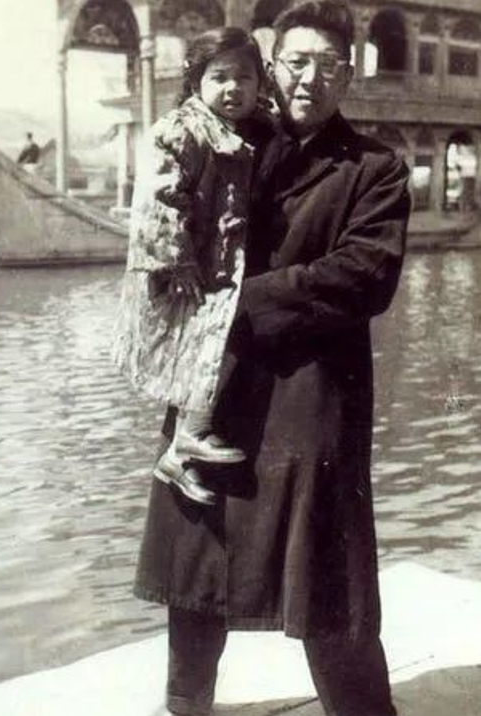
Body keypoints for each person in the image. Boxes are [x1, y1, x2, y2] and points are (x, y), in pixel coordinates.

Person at [134, 2, 411, 716]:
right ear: (270, 66)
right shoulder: (224, 143)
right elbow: (167, 228)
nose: (309, 78)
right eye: (295, 62)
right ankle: (185, 704)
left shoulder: (374, 168)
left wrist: (235, 301)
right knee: (197, 564)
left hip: (313, 395)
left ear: (348, 75)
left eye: (327, 64)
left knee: (329, 580)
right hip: (215, 386)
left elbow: (364, 275)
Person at [113, 28, 271, 505]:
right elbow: (158, 201)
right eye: (219, 77)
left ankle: (180, 455)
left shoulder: (246, 127)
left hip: (218, 261)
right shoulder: (181, 129)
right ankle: (189, 436)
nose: (233, 88)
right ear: (196, 80)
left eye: (244, 78)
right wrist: (176, 261)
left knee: (213, 345)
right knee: (204, 345)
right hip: (183, 266)